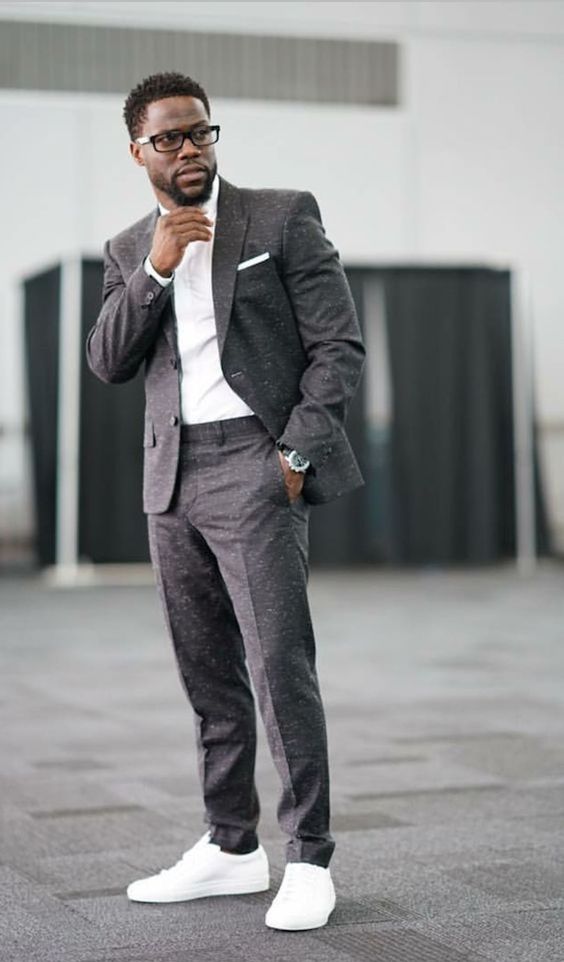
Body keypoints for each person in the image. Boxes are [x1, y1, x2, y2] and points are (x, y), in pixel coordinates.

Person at [86, 71, 365, 932]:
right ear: (138, 151)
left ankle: (308, 856)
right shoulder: (128, 249)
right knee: (206, 672)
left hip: (256, 463)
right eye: (168, 138)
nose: (189, 149)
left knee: (279, 665)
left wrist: (292, 455)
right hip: (171, 475)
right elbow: (108, 361)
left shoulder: (280, 217)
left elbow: (338, 346)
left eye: (200, 132)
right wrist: (157, 270)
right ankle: (232, 844)